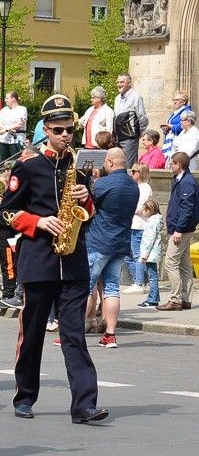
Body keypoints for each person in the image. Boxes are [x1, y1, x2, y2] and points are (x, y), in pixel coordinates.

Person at [0, 94, 108, 424]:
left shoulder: (79, 168)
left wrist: (86, 199)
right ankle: (25, 396)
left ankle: (84, 405)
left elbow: (88, 216)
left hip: (73, 261)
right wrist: (38, 222)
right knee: (32, 333)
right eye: (58, 130)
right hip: (39, 260)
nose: (65, 136)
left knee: (74, 334)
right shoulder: (28, 167)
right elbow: (5, 212)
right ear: (45, 130)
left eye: (69, 130)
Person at [83, 148, 139, 348]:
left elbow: (87, 204)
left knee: (86, 287)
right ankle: (110, 335)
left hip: (99, 241)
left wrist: (88, 180)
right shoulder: (134, 186)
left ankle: (74, 334)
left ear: (110, 162)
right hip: (121, 242)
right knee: (112, 288)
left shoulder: (103, 184)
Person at [156, 151, 197, 311]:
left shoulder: (186, 182)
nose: (169, 165)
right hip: (182, 228)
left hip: (181, 230)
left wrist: (179, 230)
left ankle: (175, 299)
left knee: (170, 262)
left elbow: (187, 208)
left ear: (178, 165)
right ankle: (185, 299)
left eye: (172, 163)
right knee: (185, 265)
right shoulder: (181, 179)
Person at [124, 163, 153, 293]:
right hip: (133, 224)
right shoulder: (137, 187)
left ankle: (139, 283)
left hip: (138, 225)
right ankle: (140, 281)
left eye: (134, 171)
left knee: (137, 255)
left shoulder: (144, 188)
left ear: (140, 173)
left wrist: (126, 209)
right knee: (128, 255)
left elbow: (142, 208)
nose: (131, 173)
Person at [113, 73, 149, 167]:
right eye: (118, 82)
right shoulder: (117, 98)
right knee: (119, 165)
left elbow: (143, 118)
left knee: (129, 166)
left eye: (122, 82)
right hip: (118, 138)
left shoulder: (136, 97)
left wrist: (136, 134)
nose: (119, 84)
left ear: (129, 83)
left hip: (129, 139)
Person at [138, 200, 164, 307]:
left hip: (150, 254)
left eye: (144, 210)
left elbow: (149, 240)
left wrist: (144, 255)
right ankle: (154, 298)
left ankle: (152, 299)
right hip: (153, 253)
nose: (142, 212)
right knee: (153, 276)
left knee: (152, 277)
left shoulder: (151, 223)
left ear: (149, 210)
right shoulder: (157, 221)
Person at [0, 91, 28, 162]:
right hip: (3, 139)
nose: (5, 100)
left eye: (7, 98)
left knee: (16, 162)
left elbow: (19, 124)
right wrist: (8, 129)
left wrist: (6, 129)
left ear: (13, 98)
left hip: (16, 140)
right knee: (3, 163)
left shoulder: (22, 109)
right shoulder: (3, 110)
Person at [160, 90, 192, 158]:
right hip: (171, 140)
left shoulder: (187, 112)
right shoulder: (175, 113)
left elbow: (184, 126)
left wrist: (171, 126)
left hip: (179, 141)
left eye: (177, 100)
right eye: (174, 100)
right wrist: (166, 128)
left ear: (184, 101)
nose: (175, 101)